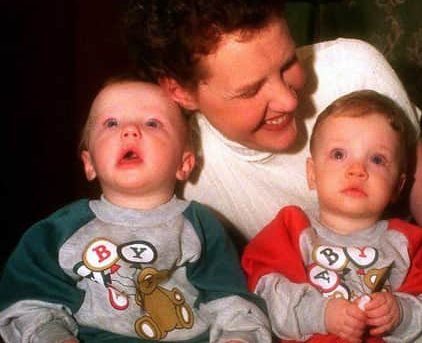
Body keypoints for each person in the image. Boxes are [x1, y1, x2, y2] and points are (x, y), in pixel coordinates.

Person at [124, 0, 422, 247]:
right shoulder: (180, 173)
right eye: (251, 91)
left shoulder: (354, 70)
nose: (288, 99)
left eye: (287, 64)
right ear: (180, 92)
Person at [0, 79, 271, 343]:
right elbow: (27, 303)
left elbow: (230, 302)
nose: (129, 130)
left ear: (184, 164)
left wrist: (239, 336)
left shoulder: (201, 226)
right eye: (111, 123)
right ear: (89, 163)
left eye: (152, 123)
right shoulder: (58, 231)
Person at [242, 90, 422, 342]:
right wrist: (321, 313)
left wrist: (401, 314)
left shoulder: (413, 244)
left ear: (398, 185)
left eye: (376, 159)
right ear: (312, 173)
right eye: (339, 154)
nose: (357, 170)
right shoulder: (290, 228)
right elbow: (262, 299)